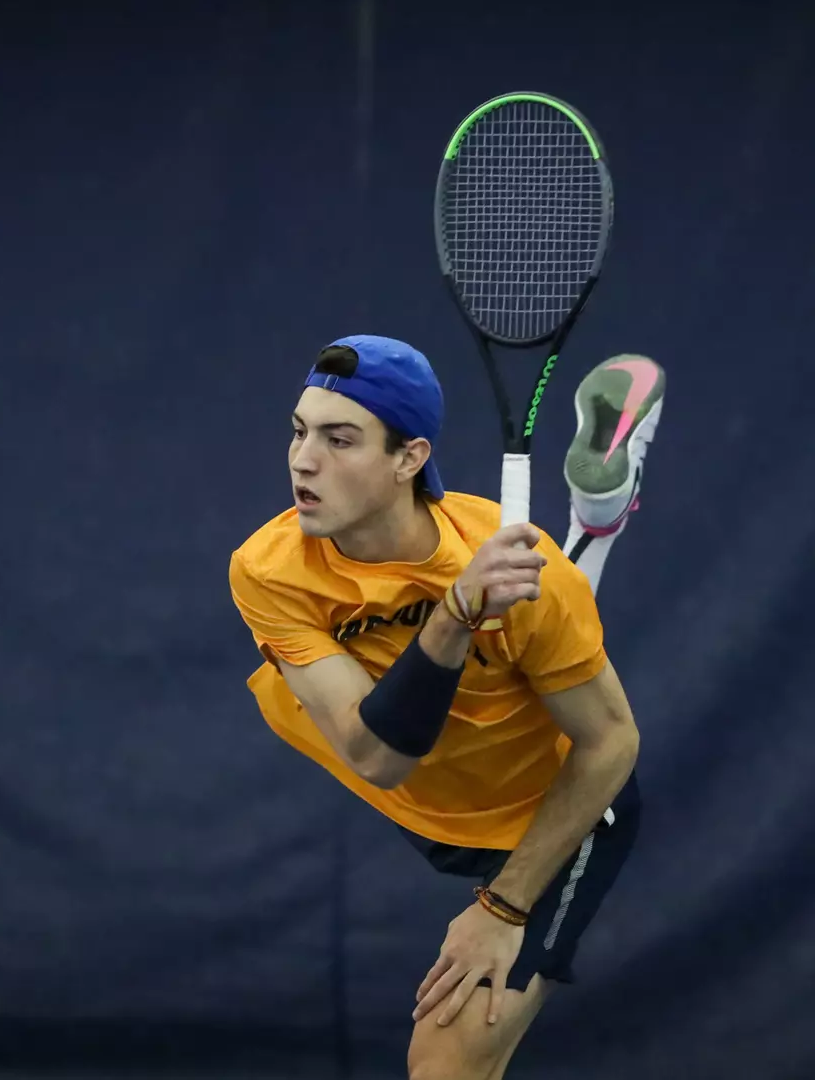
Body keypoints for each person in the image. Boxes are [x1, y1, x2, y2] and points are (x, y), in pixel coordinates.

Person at [226, 334, 665, 1080]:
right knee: (511, 633)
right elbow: (378, 755)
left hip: (552, 806)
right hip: (433, 783)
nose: (303, 460)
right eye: (300, 431)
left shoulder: (531, 587)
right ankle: (591, 529)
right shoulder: (269, 570)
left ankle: (589, 532)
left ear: (409, 458)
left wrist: (504, 909)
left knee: (445, 1066)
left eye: (340, 440)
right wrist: (457, 611)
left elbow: (613, 745)